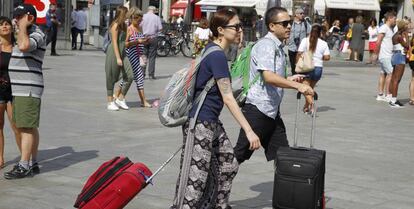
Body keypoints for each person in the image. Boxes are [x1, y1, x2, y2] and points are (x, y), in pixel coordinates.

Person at [170, 9, 261, 209]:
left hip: (211, 122)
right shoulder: (217, 55)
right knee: (195, 181)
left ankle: (218, 204)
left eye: (240, 26)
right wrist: (248, 130)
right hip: (200, 123)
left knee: (228, 164)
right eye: (236, 27)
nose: (239, 30)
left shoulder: (215, 50)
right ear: (220, 30)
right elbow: (228, 98)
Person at [233, 7, 314, 167]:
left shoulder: (277, 46)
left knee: (283, 157)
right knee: (237, 156)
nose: (289, 27)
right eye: (284, 24)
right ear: (271, 26)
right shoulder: (266, 45)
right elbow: (269, 77)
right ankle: (214, 183)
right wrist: (297, 86)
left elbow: (271, 75)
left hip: (271, 112)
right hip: (258, 110)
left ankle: (287, 190)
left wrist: (288, 79)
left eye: (290, 23)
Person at [3, 4, 46, 179]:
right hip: (20, 88)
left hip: (28, 88)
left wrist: (22, 27)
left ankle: (24, 165)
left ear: (30, 18)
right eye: (15, 16)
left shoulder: (37, 33)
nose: (15, 20)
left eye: (19, 17)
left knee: (25, 128)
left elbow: (23, 46)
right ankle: (33, 162)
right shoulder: (22, 32)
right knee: (29, 126)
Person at [0, 16, 20, 170]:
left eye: (7, 24)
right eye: (1, 25)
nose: (4, 26)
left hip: (14, 92)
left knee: (17, 127)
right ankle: (0, 157)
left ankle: (24, 158)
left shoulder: (17, 46)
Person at [105, 6, 133, 111]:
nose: (127, 15)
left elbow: (124, 42)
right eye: (126, 13)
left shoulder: (124, 25)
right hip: (114, 53)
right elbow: (115, 43)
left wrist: (129, 35)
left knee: (130, 75)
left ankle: (120, 98)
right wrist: (118, 58)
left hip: (123, 52)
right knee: (111, 77)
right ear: (121, 14)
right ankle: (110, 102)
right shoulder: (115, 25)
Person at [122, 7, 151, 108]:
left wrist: (145, 40)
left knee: (132, 78)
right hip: (130, 56)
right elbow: (125, 44)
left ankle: (116, 97)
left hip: (138, 55)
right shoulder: (129, 29)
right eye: (139, 20)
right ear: (133, 18)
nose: (140, 22)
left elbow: (140, 40)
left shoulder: (139, 28)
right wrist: (137, 42)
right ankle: (118, 97)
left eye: (141, 20)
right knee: (134, 77)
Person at [297, 24, 330, 112]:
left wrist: (298, 63)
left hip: (307, 67)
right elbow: (327, 57)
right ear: (320, 33)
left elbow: (299, 53)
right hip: (318, 68)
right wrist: (319, 57)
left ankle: (312, 105)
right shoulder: (324, 43)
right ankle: (306, 106)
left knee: (306, 89)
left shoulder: (305, 40)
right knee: (310, 89)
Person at [375, 11, 397, 102]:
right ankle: (388, 94)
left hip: (388, 54)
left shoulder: (390, 28)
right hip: (385, 55)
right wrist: (376, 54)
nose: (395, 20)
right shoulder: (384, 27)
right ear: (389, 18)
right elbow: (378, 41)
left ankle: (380, 94)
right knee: (390, 73)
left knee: (383, 73)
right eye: (394, 19)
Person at [389, 20, 409, 108]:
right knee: (397, 80)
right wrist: (407, 36)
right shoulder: (400, 36)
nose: (407, 27)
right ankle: (394, 100)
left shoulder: (395, 35)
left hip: (395, 55)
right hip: (400, 56)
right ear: (403, 27)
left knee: (394, 78)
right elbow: (407, 45)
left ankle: (391, 98)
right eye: (406, 25)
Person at [141, 6, 163, 80]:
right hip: (153, 38)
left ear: (148, 10)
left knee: (144, 55)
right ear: (153, 10)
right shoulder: (156, 17)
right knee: (152, 57)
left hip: (144, 37)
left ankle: (142, 74)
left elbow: (139, 26)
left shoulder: (143, 16)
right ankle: (151, 75)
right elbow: (160, 28)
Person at [287, 8, 311, 75]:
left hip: (302, 48)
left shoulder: (306, 24)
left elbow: (309, 34)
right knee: (293, 65)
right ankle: (294, 77)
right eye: (301, 13)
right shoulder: (290, 23)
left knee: (300, 65)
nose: (302, 15)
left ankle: (300, 78)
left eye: (303, 13)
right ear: (296, 14)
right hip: (291, 47)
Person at [408, 36, 414, 105]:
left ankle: (412, 98)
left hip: (412, 59)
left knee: (413, 79)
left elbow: (409, 49)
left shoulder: (412, 38)